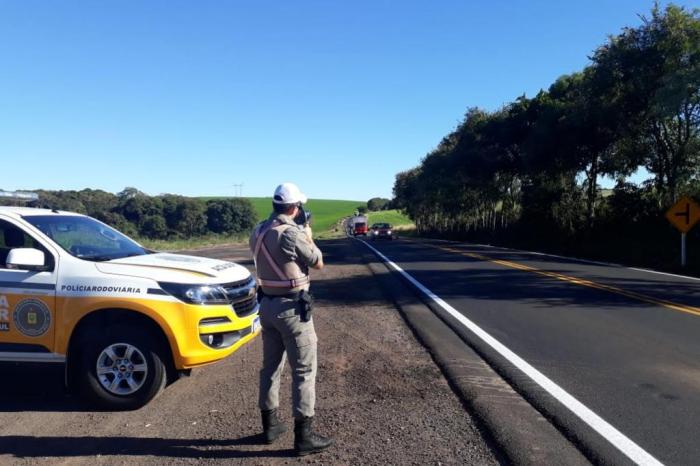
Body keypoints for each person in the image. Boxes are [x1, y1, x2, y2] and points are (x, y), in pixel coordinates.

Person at [249, 182, 333, 456]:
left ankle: (270, 425)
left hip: (267, 307)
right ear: (295, 208)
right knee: (304, 372)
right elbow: (318, 262)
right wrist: (308, 235)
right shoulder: (292, 234)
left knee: (270, 368)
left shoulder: (258, 231)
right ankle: (304, 438)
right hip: (292, 310)